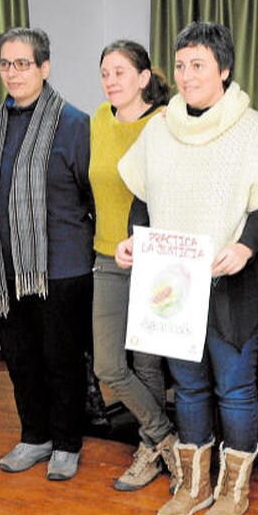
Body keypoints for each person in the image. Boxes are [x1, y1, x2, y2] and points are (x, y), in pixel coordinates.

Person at [116, 21, 258, 515]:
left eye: (199, 65)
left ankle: (234, 488)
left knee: (234, 388)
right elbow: (142, 199)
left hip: (230, 281)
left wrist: (246, 247)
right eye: (181, 65)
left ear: (224, 70)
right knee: (187, 389)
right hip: (174, 288)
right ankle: (194, 484)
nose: (186, 75)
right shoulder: (159, 127)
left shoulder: (253, 128)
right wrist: (133, 242)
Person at [0, 27, 94, 481]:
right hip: (3, 268)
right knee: (20, 359)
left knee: (61, 361)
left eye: (23, 63)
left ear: (44, 67)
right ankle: (34, 436)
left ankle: (66, 443)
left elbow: (91, 196)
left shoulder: (73, 123)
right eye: (5, 63)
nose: (13, 72)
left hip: (61, 268)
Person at [89, 40, 177, 491]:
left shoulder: (162, 123)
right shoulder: (99, 121)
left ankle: (150, 451)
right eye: (105, 72)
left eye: (120, 72)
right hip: (107, 256)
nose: (110, 81)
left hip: (152, 258)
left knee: (147, 365)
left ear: (144, 78)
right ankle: (166, 439)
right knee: (108, 365)